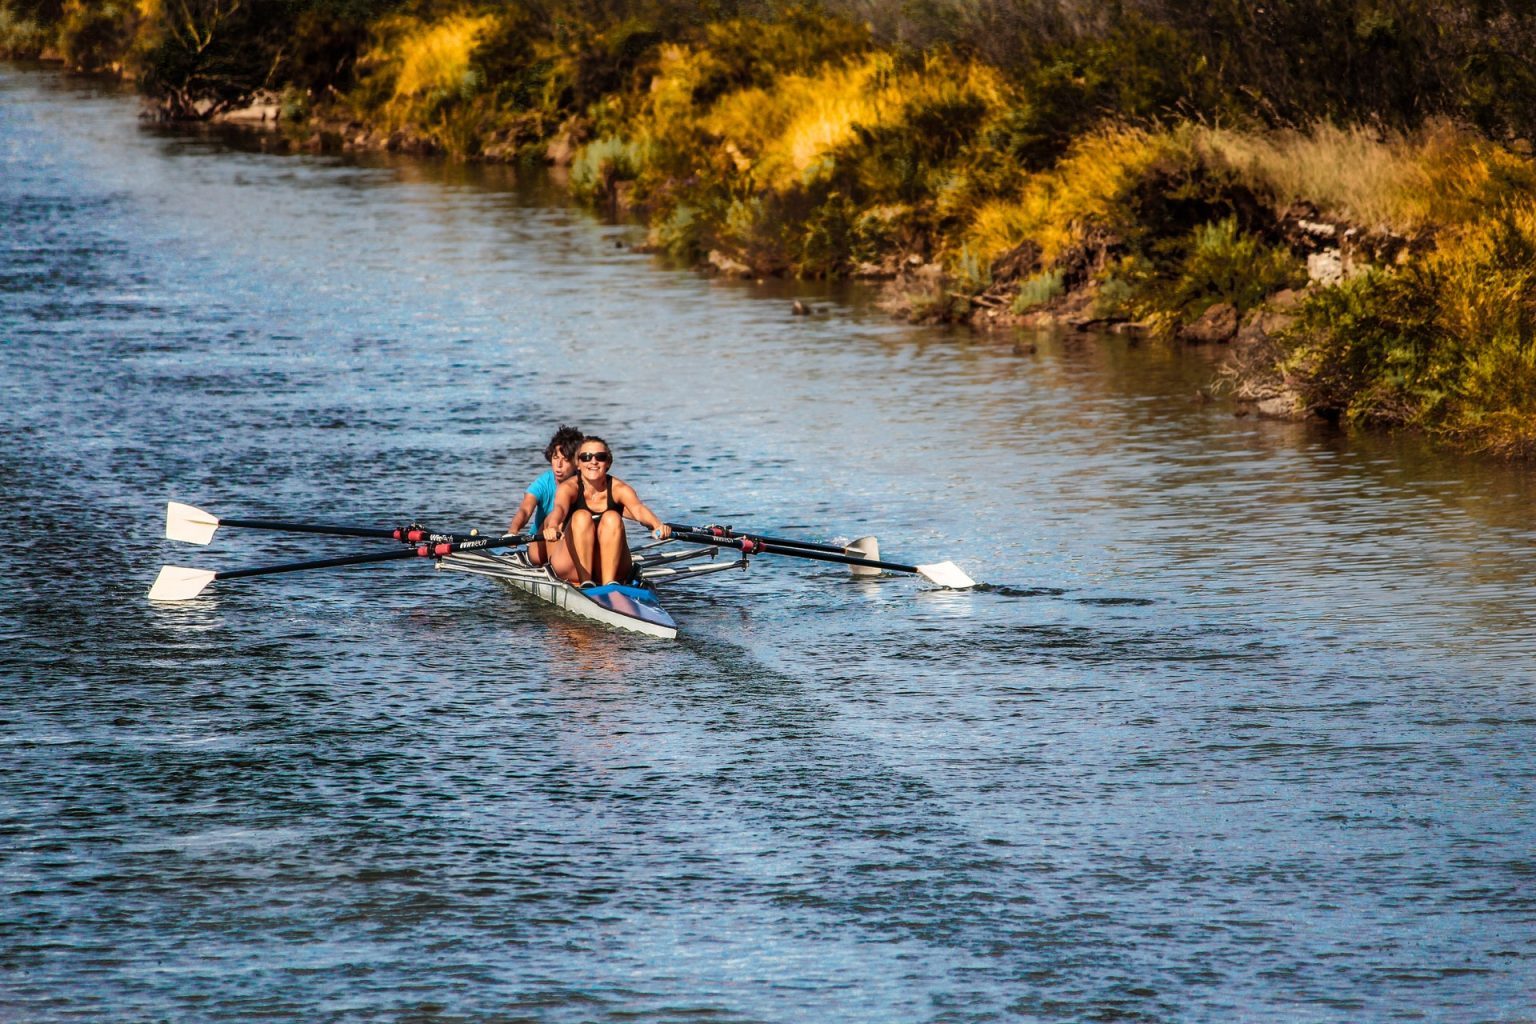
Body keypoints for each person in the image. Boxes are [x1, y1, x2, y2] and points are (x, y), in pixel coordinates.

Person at [540, 435, 671, 586]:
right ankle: (586, 583)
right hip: (571, 567)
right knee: (581, 516)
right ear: (577, 463)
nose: (593, 461)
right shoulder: (569, 488)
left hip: (611, 567)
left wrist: (657, 525)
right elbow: (560, 510)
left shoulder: (619, 488)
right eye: (586, 457)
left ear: (608, 463)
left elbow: (638, 509)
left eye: (600, 457)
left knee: (612, 517)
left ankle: (610, 585)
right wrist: (553, 526)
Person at [508, 424, 584, 580]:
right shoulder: (542, 483)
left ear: (577, 462)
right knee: (552, 519)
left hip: (569, 544)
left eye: (565, 459)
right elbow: (525, 510)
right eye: (556, 458)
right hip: (539, 547)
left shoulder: (585, 483)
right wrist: (513, 531)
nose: (559, 465)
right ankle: (560, 572)